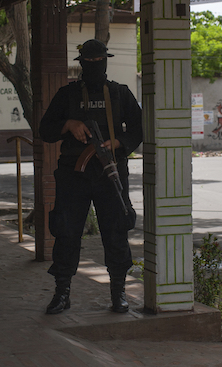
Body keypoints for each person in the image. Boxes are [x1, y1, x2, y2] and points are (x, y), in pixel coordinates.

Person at [39, 39, 143, 315]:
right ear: (82, 63)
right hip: (74, 173)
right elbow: (45, 130)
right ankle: (62, 292)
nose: (95, 66)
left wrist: (118, 144)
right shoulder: (67, 95)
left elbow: (138, 129)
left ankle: (118, 291)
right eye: (90, 62)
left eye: (99, 62)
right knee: (66, 231)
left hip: (110, 171)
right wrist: (68, 124)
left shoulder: (120, 94)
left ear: (105, 61)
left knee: (116, 231)